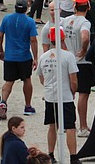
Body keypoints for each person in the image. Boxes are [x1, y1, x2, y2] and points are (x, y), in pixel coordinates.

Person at [37, 27, 80, 164]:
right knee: (70, 127)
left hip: (50, 95)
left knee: (52, 126)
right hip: (65, 96)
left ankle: (50, 154)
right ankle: (73, 157)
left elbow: (41, 78)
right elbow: (73, 80)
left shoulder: (43, 57)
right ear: (63, 39)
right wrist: (72, 92)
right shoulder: (68, 56)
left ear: (50, 39)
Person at [62, 0, 95, 138]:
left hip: (67, 60)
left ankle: (66, 123)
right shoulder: (85, 22)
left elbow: (56, 34)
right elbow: (85, 37)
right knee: (83, 94)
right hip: (81, 62)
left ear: (74, 6)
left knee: (68, 93)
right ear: (88, 6)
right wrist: (83, 49)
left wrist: (64, 48)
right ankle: (82, 126)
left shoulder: (66, 20)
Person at [0, 0, 39, 117]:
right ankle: (27, 106)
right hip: (24, 56)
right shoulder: (29, 21)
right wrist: (35, 57)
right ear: (26, 8)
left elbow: (0, 36)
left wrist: (1, 50)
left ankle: (3, 102)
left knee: (8, 81)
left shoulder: (7, 19)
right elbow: (33, 40)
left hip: (10, 56)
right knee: (27, 79)